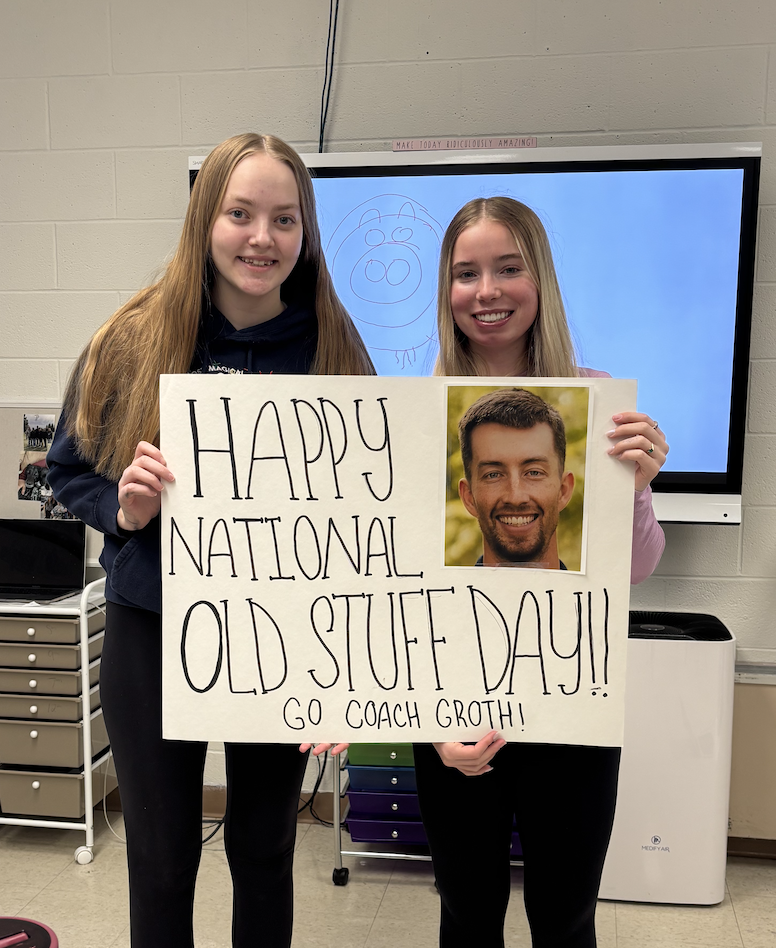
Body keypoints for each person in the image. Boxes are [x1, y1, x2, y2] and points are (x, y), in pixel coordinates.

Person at [47, 133, 373, 948]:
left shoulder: (332, 346)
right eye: (240, 213)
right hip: (154, 629)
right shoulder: (129, 339)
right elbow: (66, 470)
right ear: (205, 219)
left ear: (305, 233)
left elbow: (368, 520)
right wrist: (123, 511)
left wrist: (348, 665)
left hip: (285, 638)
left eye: (284, 219)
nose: (262, 237)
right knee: (160, 861)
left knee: (265, 849)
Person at [413, 196, 668, 948]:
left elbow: (639, 569)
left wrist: (641, 487)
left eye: (507, 268)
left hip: (572, 715)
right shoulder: (412, 416)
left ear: (540, 279)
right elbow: (396, 601)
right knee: (466, 915)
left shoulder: (599, 397)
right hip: (454, 717)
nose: (486, 290)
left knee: (565, 919)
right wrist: (430, 730)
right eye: (465, 274)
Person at [456, 387, 575, 568]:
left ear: (563, 490)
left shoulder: (602, 594)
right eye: (493, 475)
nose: (515, 497)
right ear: (469, 497)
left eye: (534, 472)